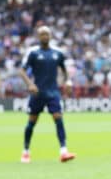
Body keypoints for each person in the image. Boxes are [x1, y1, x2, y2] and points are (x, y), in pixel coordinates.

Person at [18, 25, 75, 163]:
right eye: (42, 34)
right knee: (32, 122)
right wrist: (30, 84)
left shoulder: (57, 53)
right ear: (38, 37)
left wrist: (67, 81)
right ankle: (26, 151)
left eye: (47, 34)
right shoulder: (33, 52)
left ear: (50, 36)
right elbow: (22, 71)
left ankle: (64, 151)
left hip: (53, 92)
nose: (45, 36)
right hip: (37, 93)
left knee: (58, 118)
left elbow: (64, 69)